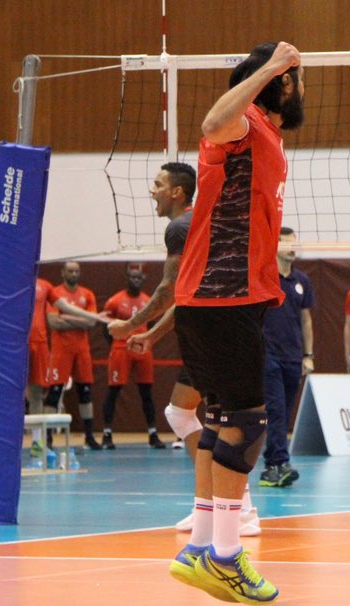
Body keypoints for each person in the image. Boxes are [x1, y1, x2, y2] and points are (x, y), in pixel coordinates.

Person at [165, 41, 303, 603]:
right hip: (223, 296)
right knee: (248, 422)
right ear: (278, 84)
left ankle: (201, 547)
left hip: (223, 300)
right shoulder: (243, 123)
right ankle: (225, 557)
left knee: (221, 419)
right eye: (294, 79)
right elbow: (211, 123)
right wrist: (271, 66)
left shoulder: (267, 134)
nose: (299, 87)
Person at [123, 162, 260, 537]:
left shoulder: (181, 227)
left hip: (216, 334)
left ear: (177, 192)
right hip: (211, 332)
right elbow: (185, 298)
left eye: (158, 184)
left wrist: (132, 325)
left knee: (225, 419)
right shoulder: (199, 222)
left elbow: (169, 290)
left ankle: (239, 508)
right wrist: (152, 336)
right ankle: (216, 504)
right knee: (184, 413)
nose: (152, 190)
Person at [258, 227, 315, 488]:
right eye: (287, 243)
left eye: (295, 243)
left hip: (293, 356)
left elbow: (306, 320)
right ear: (275, 246)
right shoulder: (263, 277)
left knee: (285, 411)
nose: (293, 248)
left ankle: (275, 463)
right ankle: (277, 464)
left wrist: (308, 355)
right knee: (276, 409)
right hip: (268, 355)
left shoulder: (301, 280)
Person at [100, 264, 164, 449]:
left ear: (143, 279)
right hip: (121, 348)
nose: (135, 280)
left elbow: (152, 325)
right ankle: (107, 434)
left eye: (138, 277)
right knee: (113, 391)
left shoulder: (148, 301)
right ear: (127, 278)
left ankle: (152, 434)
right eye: (132, 277)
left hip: (142, 350)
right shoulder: (115, 301)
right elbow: (106, 327)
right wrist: (115, 344)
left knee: (146, 392)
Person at [44, 261, 102, 450]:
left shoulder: (87, 294)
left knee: (85, 392)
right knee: (54, 393)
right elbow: (54, 322)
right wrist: (81, 319)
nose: (74, 274)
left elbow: (92, 323)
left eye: (76, 271)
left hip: (81, 349)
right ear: (63, 272)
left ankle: (89, 436)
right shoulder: (55, 293)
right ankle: (48, 438)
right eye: (70, 271)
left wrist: (67, 317)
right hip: (61, 350)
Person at [27, 276, 53, 457]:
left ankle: (37, 443)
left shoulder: (45, 286)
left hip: (38, 342)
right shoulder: (8, 280)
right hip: (13, 343)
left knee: (36, 394)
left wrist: (94, 316)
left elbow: (63, 307)